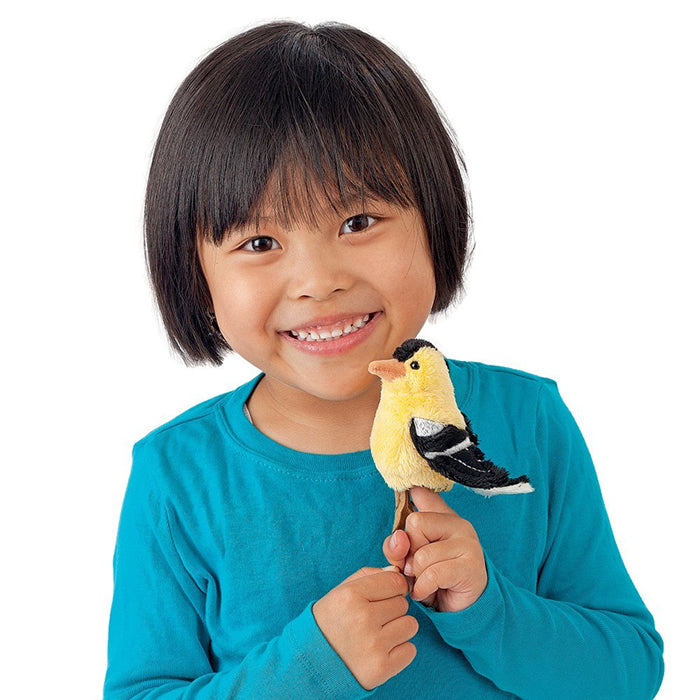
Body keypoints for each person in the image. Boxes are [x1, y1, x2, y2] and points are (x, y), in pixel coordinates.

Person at [103, 20, 664, 699]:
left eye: (358, 222)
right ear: (195, 275)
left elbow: (630, 672)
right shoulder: (177, 476)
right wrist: (307, 670)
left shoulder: (531, 420)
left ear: (436, 218)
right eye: (258, 242)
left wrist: (491, 609)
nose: (319, 279)